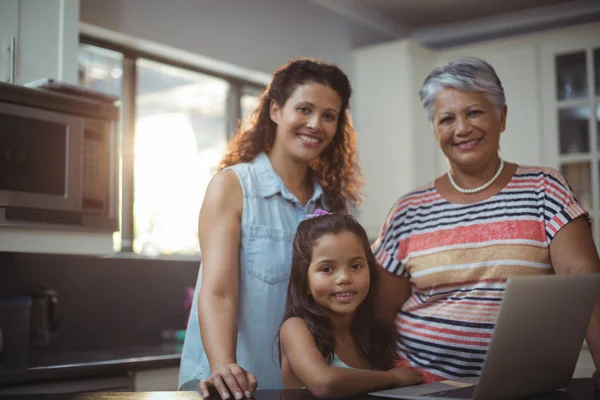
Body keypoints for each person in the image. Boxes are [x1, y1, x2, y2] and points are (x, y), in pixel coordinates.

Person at [372, 57, 600, 386]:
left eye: (474, 112)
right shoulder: (408, 210)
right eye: (446, 118)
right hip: (422, 387)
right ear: (435, 130)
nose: (462, 128)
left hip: (521, 387)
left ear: (501, 116)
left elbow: (585, 286)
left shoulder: (544, 188)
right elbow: (380, 316)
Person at [178, 58, 362, 398]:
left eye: (329, 116)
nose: (315, 124)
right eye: (304, 109)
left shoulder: (333, 207)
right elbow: (218, 292)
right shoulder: (233, 186)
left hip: (299, 388)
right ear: (275, 111)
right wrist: (224, 367)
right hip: (235, 387)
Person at [278, 212, 423, 398]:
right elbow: (324, 383)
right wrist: (392, 377)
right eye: (327, 269)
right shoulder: (296, 329)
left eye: (355, 266)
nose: (344, 278)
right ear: (305, 281)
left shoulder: (371, 331)